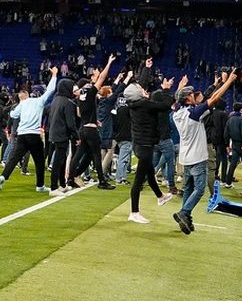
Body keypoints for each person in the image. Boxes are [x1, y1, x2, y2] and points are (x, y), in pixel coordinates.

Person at [171, 70, 238, 234]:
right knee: (199, 189)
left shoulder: (177, 113)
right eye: (193, 95)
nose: (195, 96)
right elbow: (213, 99)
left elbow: (203, 98)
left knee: (188, 189)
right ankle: (184, 213)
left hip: (185, 157)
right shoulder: (193, 113)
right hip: (197, 157)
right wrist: (228, 81)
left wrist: (218, 83)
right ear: (188, 99)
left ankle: (185, 219)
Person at [0, 67, 59, 193]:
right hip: (34, 135)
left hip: (22, 135)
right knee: (39, 162)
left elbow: (13, 115)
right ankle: (40, 186)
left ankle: (3, 176)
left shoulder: (23, 103)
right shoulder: (40, 101)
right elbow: (51, 89)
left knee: (14, 158)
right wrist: (54, 75)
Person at [125, 77, 176, 224]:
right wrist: (166, 89)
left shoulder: (134, 104)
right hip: (145, 145)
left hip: (140, 144)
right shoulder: (144, 104)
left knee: (150, 173)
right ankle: (134, 212)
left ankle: (160, 196)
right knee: (138, 181)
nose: (142, 88)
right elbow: (166, 105)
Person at [70, 56, 116, 190]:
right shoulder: (90, 91)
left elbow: (79, 113)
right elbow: (102, 77)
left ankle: (71, 178)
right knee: (96, 155)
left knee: (79, 154)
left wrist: (92, 118)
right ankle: (102, 181)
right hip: (91, 129)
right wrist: (108, 63)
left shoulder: (80, 96)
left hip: (83, 128)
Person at [47, 78, 79, 195]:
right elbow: (71, 123)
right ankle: (54, 187)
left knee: (62, 159)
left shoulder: (55, 100)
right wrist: (77, 136)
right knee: (58, 161)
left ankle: (62, 184)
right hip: (62, 134)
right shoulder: (68, 103)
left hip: (53, 133)